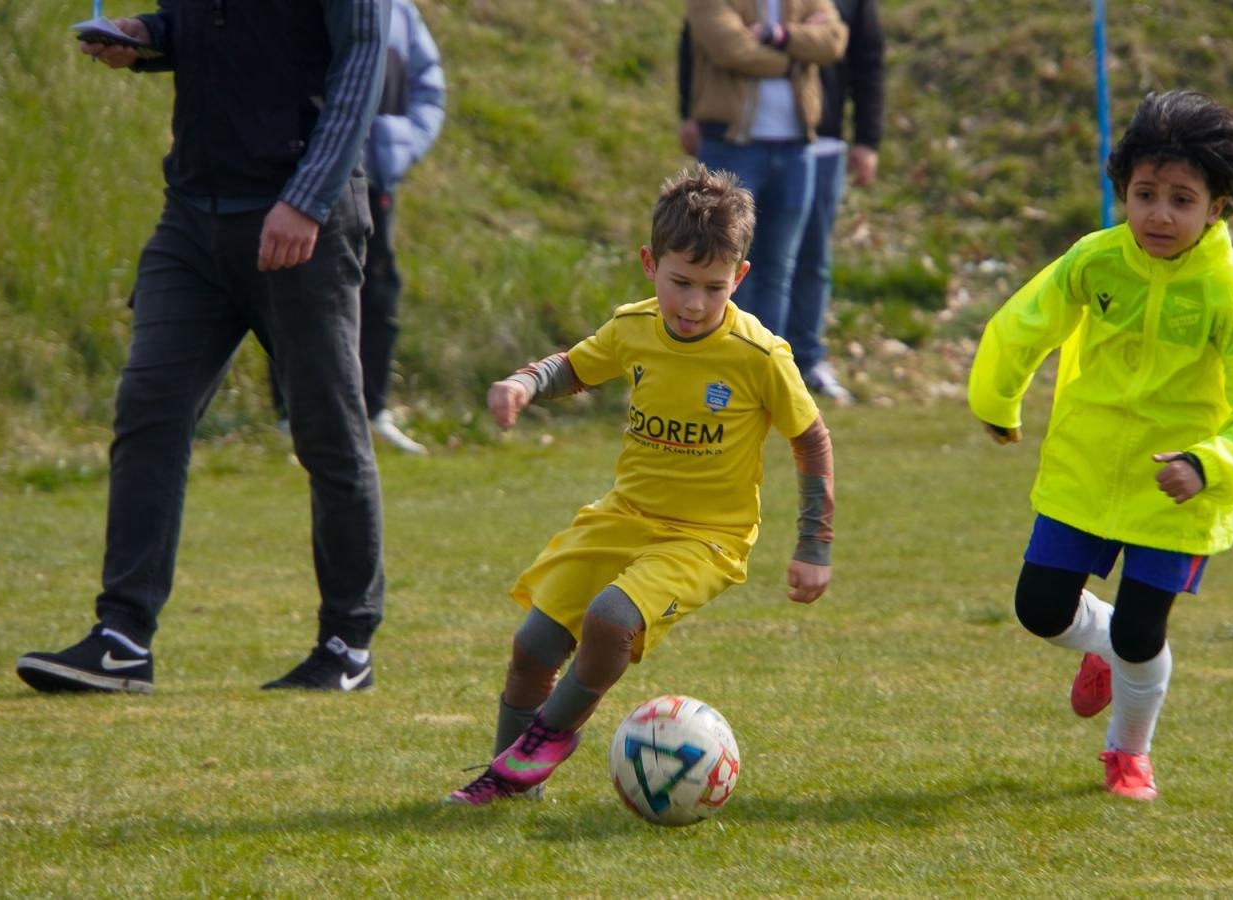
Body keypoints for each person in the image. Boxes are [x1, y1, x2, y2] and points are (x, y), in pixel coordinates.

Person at [16, 0, 390, 693]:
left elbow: (363, 64)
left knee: (327, 429)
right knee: (149, 404)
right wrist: (146, 37)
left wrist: (307, 200)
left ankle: (347, 643)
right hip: (193, 217)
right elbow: (207, 27)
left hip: (301, 218)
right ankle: (123, 638)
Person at [446, 166, 835, 806]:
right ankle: (508, 790)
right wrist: (525, 383)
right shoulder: (634, 327)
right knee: (533, 647)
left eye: (713, 288)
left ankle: (550, 736)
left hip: (707, 539)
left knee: (609, 619)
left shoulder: (760, 357)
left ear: (738, 278)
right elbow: (576, 366)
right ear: (650, 264)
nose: (692, 303)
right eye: (680, 282)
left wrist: (813, 544)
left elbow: (811, 439)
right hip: (624, 517)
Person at [967, 90, 1233, 800]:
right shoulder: (1096, 260)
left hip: (1177, 494)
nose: (1159, 214)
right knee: (1039, 609)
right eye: (1145, 193)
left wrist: (1209, 463)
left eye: (1182, 199)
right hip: (1085, 472)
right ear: (1122, 188)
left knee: (1141, 633)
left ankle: (1129, 753)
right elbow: (1023, 325)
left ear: (1217, 207)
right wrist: (996, 401)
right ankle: (1110, 649)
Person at [678, 0, 884, 404]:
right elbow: (728, 48)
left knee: (778, 269)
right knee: (717, 262)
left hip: (796, 151)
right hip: (733, 147)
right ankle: (712, 371)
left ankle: (760, 376)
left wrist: (779, 37)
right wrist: (794, 61)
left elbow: (835, 41)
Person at [271, 0, 445, 456]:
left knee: (378, 290)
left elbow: (429, 91)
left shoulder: (401, 13)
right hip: (300, 175)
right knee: (294, 289)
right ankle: (293, 417)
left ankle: (373, 411)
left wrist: (394, 149)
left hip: (371, 179)